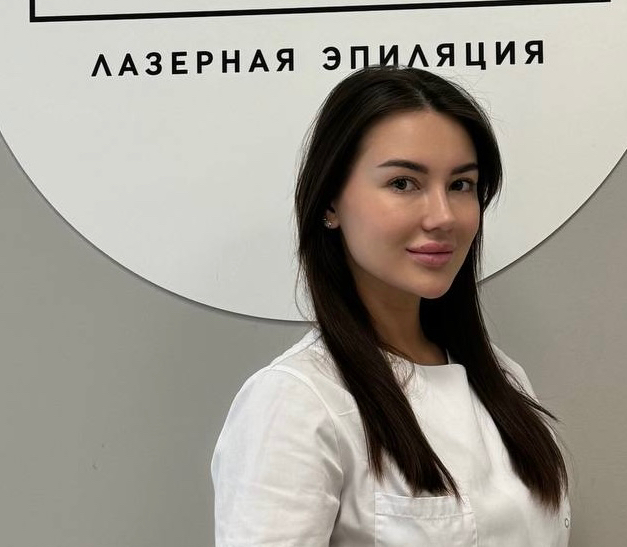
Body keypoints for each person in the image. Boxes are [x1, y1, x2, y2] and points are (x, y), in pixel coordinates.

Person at [212, 65, 571, 546]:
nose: (442, 216)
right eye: (403, 183)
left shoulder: (503, 380)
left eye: (461, 185)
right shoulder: (297, 402)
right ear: (330, 203)